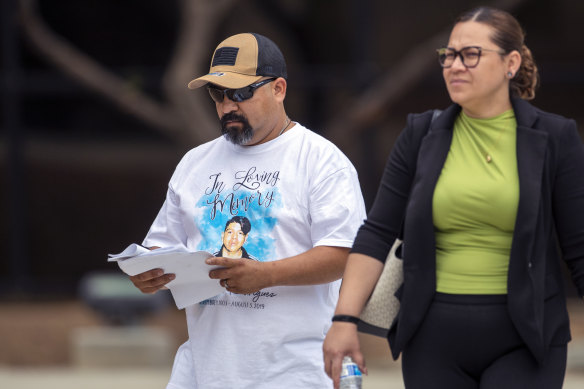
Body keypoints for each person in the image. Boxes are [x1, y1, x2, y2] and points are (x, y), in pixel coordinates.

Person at [323, 6, 584, 389]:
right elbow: (377, 233)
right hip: (433, 340)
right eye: (449, 55)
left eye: (471, 55)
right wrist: (344, 321)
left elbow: (579, 247)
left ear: (511, 63)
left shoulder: (555, 138)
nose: (455, 65)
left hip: (526, 340)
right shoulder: (419, 135)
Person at [128, 32, 366, 388]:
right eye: (218, 94)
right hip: (204, 370)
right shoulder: (195, 162)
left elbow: (348, 254)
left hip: (294, 371)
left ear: (279, 89)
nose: (227, 106)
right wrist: (149, 273)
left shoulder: (321, 161)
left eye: (240, 93)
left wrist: (265, 274)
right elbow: (163, 246)